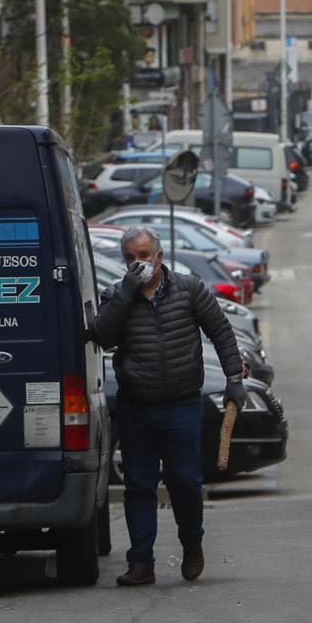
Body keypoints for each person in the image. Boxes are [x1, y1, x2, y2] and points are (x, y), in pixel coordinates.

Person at [91, 226, 247, 587]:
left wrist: (234, 379)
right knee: (139, 486)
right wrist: (127, 293)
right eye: (130, 258)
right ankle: (141, 563)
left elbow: (221, 331)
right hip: (136, 409)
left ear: (159, 256)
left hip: (181, 406)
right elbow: (101, 335)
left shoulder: (189, 289)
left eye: (143, 256)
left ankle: (192, 545)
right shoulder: (117, 294)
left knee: (185, 482)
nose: (137, 264)